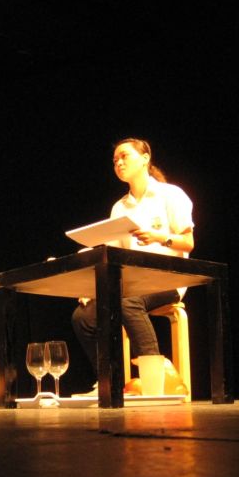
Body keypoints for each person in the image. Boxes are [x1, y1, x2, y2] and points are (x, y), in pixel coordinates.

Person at [71, 138, 194, 389]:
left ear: (145, 158)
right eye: (115, 160)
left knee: (127, 301)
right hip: (133, 284)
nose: (119, 163)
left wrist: (160, 237)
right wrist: (91, 284)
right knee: (83, 316)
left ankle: (156, 381)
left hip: (169, 279)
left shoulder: (170, 194)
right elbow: (114, 254)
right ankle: (110, 382)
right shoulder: (120, 207)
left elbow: (188, 242)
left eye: (124, 156)